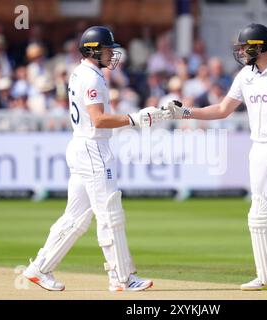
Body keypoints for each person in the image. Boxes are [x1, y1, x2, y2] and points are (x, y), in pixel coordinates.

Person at [162, 23, 267, 290]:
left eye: (244, 47)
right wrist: (184, 113)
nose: (240, 52)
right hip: (259, 148)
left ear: (259, 46)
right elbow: (221, 109)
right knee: (260, 213)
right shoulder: (245, 76)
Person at [23, 26, 162, 292]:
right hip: (94, 149)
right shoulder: (91, 78)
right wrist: (134, 118)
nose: (112, 54)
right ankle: (122, 278)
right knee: (110, 212)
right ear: (93, 51)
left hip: (82, 145)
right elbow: (99, 119)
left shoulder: (80, 72)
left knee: (76, 217)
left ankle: (39, 268)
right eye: (108, 49)